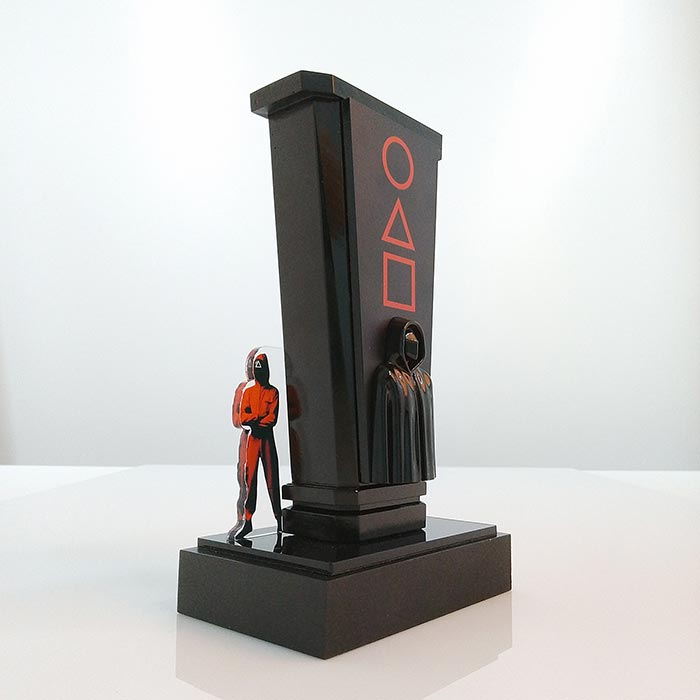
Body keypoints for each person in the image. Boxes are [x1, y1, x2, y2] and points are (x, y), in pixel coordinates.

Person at [371, 318, 436, 483]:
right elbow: (381, 416)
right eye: (409, 342)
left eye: (415, 343)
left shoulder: (423, 378)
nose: (413, 347)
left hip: (416, 439)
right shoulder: (388, 375)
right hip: (398, 438)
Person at [235, 352, 282, 539]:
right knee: (250, 478)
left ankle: (278, 519)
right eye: (257, 369)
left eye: (261, 369)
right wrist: (257, 418)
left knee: (272, 479)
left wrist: (255, 418)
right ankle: (248, 521)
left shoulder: (273, 392)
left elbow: (272, 419)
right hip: (253, 440)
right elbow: (243, 417)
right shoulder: (248, 392)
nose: (259, 372)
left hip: (267, 440)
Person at [227, 347, 259, 541]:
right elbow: (238, 419)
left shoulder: (270, 389)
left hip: (263, 438)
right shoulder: (244, 388)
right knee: (245, 481)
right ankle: (244, 521)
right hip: (248, 440)